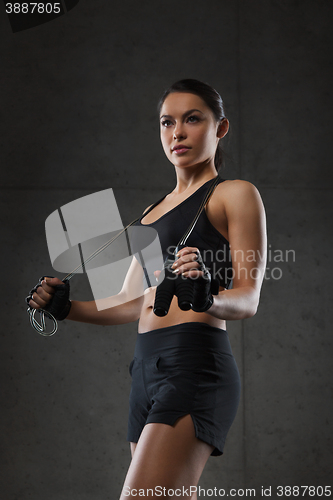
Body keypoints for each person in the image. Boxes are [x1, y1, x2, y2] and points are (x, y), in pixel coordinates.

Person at [28, 79, 267, 499]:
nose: (177, 132)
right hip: (145, 370)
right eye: (167, 122)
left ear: (220, 127)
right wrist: (67, 309)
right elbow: (132, 300)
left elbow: (248, 297)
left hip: (194, 363)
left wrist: (209, 298)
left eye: (193, 119)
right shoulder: (151, 212)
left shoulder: (235, 195)